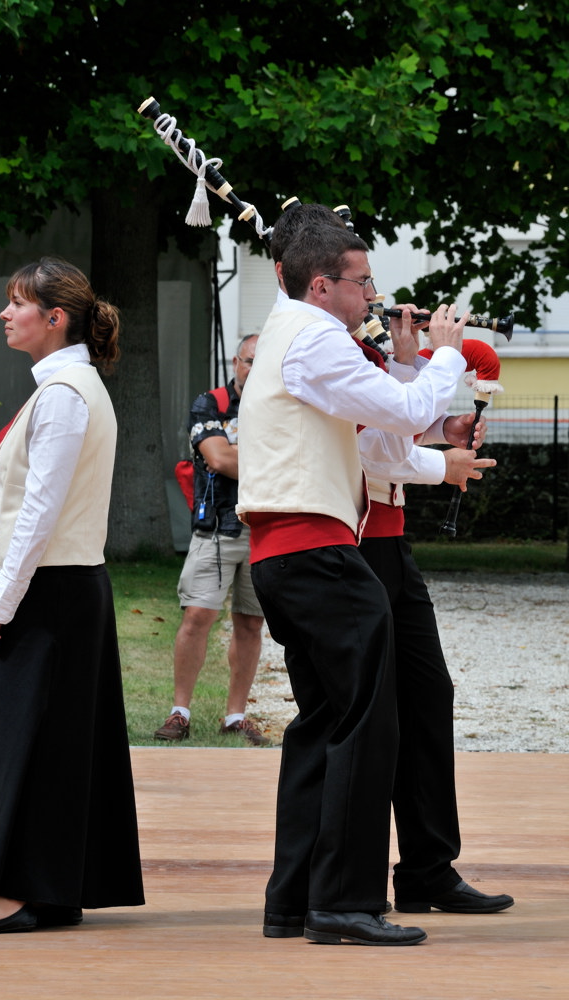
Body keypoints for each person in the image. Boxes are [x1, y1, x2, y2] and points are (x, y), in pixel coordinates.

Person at [268, 203, 513, 924]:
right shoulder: (324, 342)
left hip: (376, 533)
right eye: (363, 282)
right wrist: (432, 359)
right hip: (345, 534)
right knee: (363, 715)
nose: (375, 297)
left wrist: (439, 451)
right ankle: (338, 892)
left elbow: (392, 426)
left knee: (425, 698)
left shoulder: (339, 337)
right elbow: (391, 423)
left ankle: (425, 867)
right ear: (322, 281)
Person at [0, 257, 144, 935]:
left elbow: (40, 512)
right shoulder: (69, 385)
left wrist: (0, 602)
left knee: (19, 741)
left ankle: (15, 894)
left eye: (18, 303)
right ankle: (50, 889)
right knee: (54, 745)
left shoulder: (63, 393)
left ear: (55, 319)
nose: (4, 313)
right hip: (70, 588)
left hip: (50, 590)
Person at [154, 334, 269, 747]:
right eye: (249, 361)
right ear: (236, 362)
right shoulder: (210, 403)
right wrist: (272, 459)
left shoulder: (282, 405)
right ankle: (180, 712)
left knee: (251, 623)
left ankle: (235, 716)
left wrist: (238, 454)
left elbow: (229, 456)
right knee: (197, 617)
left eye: (263, 361)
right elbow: (218, 459)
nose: (254, 369)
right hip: (217, 529)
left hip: (264, 529)